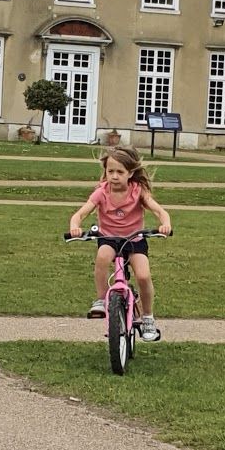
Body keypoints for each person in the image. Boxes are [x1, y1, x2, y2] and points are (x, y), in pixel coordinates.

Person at [67, 145, 173, 342]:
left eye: (120, 172)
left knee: (143, 275)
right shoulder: (101, 192)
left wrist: (165, 224)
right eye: (110, 171)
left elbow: (160, 211)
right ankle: (101, 299)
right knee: (102, 257)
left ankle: (147, 316)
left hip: (135, 240)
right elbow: (81, 213)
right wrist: (75, 226)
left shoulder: (137, 191)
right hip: (108, 238)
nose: (114, 176)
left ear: (130, 173)